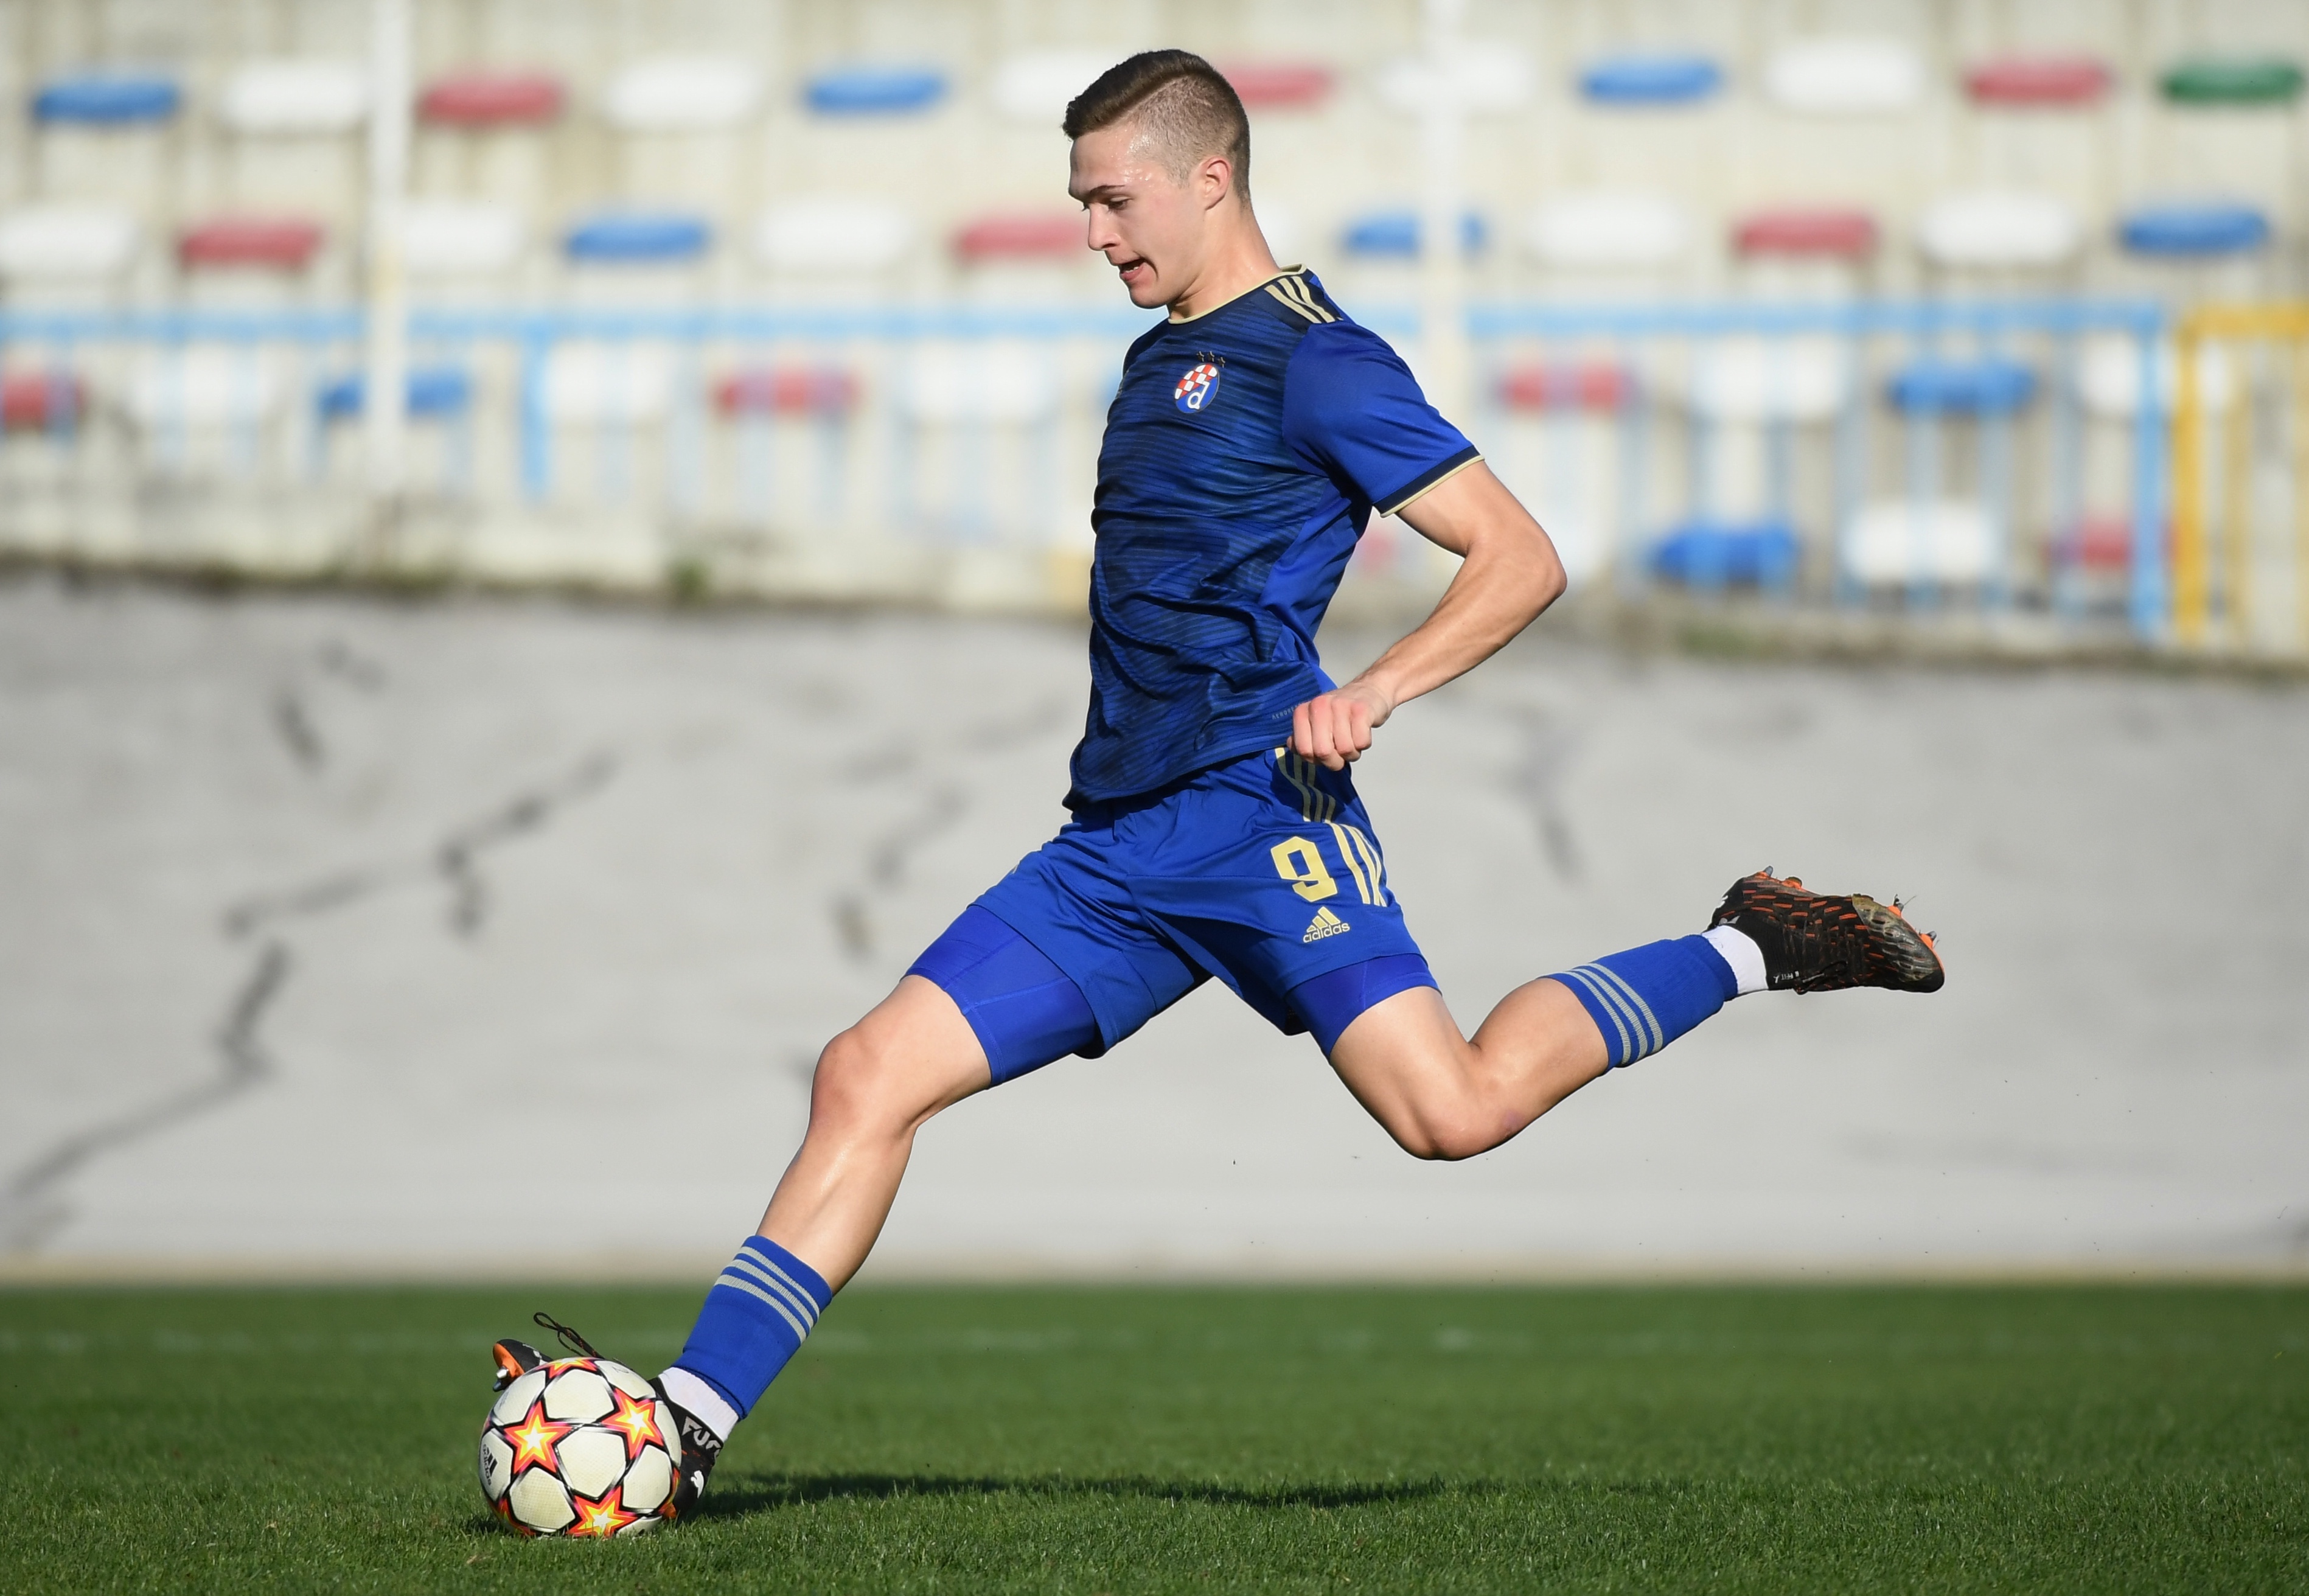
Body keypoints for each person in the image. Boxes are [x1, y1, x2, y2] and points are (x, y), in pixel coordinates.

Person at [488, 49, 1943, 1519]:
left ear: (1211, 176)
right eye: (1079, 202)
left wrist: (1375, 687)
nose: (1093, 232)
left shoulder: (1321, 360)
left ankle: (1751, 942)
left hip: (1261, 820)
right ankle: (684, 1430)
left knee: (1451, 1112)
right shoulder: (1152, 358)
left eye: (1113, 200)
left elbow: (1519, 557)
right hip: (1114, 846)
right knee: (864, 1073)